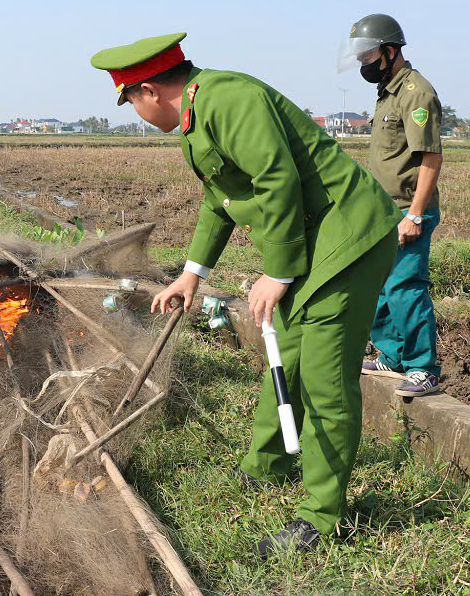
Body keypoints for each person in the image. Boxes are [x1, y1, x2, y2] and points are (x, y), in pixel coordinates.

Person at [91, 32, 402, 555]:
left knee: (325, 381)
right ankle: (267, 463)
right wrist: (192, 273)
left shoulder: (228, 99)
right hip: (311, 238)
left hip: (345, 239)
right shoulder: (196, 119)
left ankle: (322, 518)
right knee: (289, 356)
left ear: (146, 90)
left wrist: (277, 273)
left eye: (130, 103)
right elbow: (222, 200)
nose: (136, 113)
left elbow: (277, 179)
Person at [340, 14, 444, 398]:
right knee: (381, 286)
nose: (364, 63)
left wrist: (415, 214)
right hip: (384, 211)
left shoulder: (417, 93)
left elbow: (430, 159)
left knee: (405, 288)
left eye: (368, 55)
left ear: (390, 51)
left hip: (407, 209)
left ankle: (423, 367)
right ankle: (393, 355)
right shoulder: (389, 91)